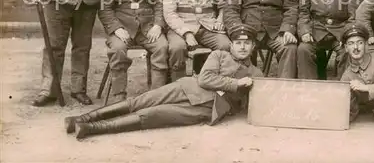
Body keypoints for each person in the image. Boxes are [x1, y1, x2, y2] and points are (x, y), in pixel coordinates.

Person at [64, 24, 264, 140]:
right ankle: (82, 118)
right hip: (187, 88)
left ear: (253, 46)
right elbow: (205, 78)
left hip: (209, 108)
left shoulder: (257, 73)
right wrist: (236, 84)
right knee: (142, 101)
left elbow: (259, 101)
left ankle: (92, 129)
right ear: (232, 44)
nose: (242, 47)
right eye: (238, 43)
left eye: (247, 44)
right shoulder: (219, 54)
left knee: (152, 115)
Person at [98, 0, 168, 102]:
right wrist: (116, 28)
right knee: (117, 49)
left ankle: (155, 97)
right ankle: (119, 97)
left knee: (162, 47)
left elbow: (159, 2)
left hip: (147, 26)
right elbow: (105, 6)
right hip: (122, 25)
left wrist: (158, 25)